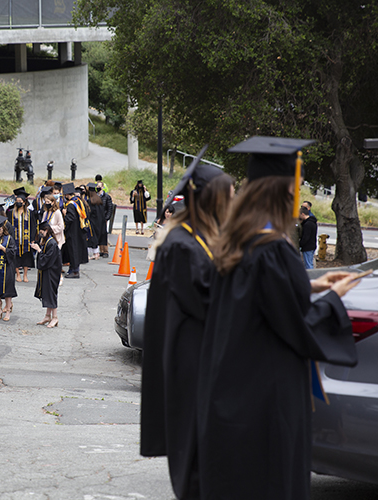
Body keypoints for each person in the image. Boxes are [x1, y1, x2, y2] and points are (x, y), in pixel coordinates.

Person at [197, 136, 361, 499]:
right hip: (267, 399)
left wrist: (313, 286)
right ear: (283, 192)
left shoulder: (236, 243)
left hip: (232, 392)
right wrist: (334, 298)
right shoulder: (272, 249)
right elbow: (295, 325)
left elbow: (262, 302)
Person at [139, 155, 235, 499]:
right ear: (211, 199)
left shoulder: (197, 238)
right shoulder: (181, 245)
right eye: (229, 194)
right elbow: (207, 302)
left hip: (200, 359)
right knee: (195, 462)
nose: (234, 201)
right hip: (191, 364)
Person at [31, 221, 61, 328]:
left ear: (46, 231)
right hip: (47, 272)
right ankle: (48, 316)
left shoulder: (52, 243)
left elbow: (47, 259)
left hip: (52, 273)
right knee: (47, 293)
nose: (40, 233)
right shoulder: (46, 241)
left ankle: (55, 317)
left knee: (51, 294)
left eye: (41, 231)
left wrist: (39, 250)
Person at [62, 183, 89, 279]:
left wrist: (65, 214)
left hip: (73, 232)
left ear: (67, 195)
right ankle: (72, 269)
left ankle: (75, 272)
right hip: (79, 231)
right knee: (75, 251)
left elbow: (70, 218)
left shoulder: (70, 205)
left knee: (73, 251)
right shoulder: (78, 201)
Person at [8, 188, 35, 282]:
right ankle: (18, 274)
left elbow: (33, 226)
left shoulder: (29, 213)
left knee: (26, 257)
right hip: (15, 238)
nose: (18, 202)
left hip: (26, 239)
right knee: (15, 256)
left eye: (20, 201)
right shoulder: (11, 213)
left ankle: (25, 275)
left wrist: (32, 238)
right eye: (17, 201)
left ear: (24, 202)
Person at [86, 183, 105, 260]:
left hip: (92, 222)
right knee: (96, 237)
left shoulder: (90, 201)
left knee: (91, 237)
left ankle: (93, 253)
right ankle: (96, 253)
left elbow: (89, 213)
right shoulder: (99, 199)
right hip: (99, 221)